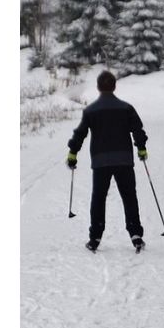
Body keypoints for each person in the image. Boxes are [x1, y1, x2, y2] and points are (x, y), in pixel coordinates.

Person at [67, 70, 150, 252]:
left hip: (100, 161)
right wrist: (141, 148)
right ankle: (136, 235)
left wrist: (73, 153)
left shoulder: (91, 111)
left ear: (98, 87)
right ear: (114, 86)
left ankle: (95, 238)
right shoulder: (126, 108)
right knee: (129, 197)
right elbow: (137, 129)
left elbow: (80, 133)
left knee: (98, 199)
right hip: (124, 160)